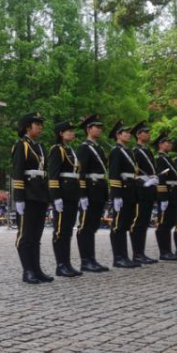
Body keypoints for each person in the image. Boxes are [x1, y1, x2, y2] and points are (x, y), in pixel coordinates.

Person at [12, 113, 51, 284]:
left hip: (40, 195)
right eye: (37, 124)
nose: (40, 127)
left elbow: (45, 172)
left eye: (41, 124)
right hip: (27, 195)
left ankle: (37, 269)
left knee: (36, 235)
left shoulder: (40, 147)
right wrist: (19, 198)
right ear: (28, 127)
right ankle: (27, 270)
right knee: (25, 235)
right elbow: (17, 171)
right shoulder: (21, 145)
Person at [74, 115, 110, 273]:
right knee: (85, 226)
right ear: (88, 129)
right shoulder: (84, 148)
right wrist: (82, 194)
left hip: (98, 190)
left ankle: (92, 259)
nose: (100, 129)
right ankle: (85, 261)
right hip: (89, 190)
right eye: (97, 127)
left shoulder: (99, 148)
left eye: (101, 127)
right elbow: (80, 173)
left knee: (93, 226)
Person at [48, 120, 83, 278]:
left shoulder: (70, 150)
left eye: (72, 131)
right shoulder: (57, 149)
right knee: (60, 230)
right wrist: (56, 197)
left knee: (68, 230)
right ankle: (60, 265)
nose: (72, 133)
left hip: (72, 194)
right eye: (69, 131)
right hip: (63, 194)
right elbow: (53, 175)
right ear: (61, 133)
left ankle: (67, 263)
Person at [107, 120, 141, 269]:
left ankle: (125, 256)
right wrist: (116, 195)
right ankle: (118, 257)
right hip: (122, 191)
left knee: (126, 224)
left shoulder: (128, 151)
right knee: (118, 225)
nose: (128, 135)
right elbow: (114, 173)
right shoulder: (116, 151)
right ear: (118, 135)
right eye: (125, 132)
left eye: (128, 132)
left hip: (130, 191)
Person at [130, 122, 159, 265]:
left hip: (149, 189)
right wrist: (143, 182)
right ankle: (137, 254)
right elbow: (133, 173)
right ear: (138, 135)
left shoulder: (147, 151)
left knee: (145, 222)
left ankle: (141, 253)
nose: (148, 134)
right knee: (139, 222)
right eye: (145, 132)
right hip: (140, 191)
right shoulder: (135, 151)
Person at [153, 132, 177, 261]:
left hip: (173, 193)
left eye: (170, 143)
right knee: (163, 223)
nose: (170, 144)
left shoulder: (168, 158)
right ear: (160, 144)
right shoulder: (159, 159)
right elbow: (161, 178)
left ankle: (168, 250)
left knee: (170, 222)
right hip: (166, 193)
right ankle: (164, 252)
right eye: (167, 142)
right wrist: (163, 196)